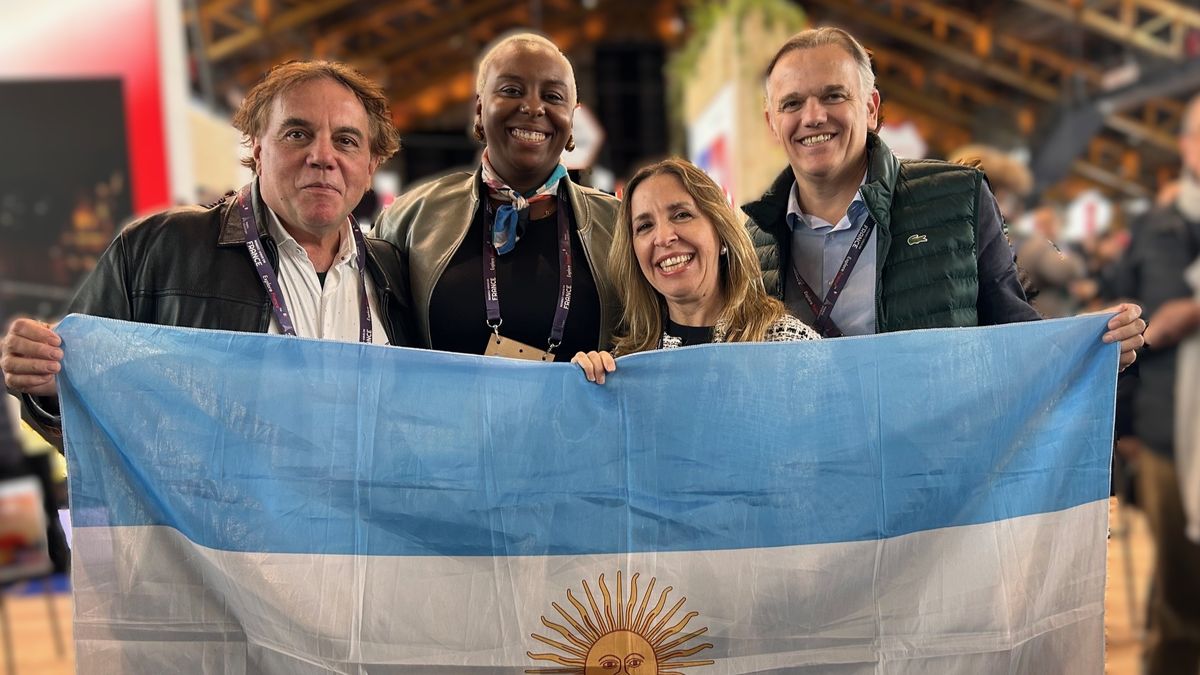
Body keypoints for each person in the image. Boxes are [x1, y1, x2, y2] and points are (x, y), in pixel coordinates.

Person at [2, 60, 415, 446]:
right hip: (201, 524)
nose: (323, 157)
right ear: (257, 148)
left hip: (356, 521)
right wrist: (48, 388)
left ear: (371, 163)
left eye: (346, 140)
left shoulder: (393, 273)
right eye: (297, 134)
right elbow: (72, 405)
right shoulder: (160, 249)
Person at [742, 27, 1144, 365]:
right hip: (813, 458)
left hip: (933, 457)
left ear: (871, 108)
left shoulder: (958, 198)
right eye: (792, 103)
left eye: (833, 96)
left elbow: (1015, 333)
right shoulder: (750, 241)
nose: (813, 116)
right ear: (772, 124)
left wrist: (1092, 343)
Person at [374, 33, 618, 363]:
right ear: (478, 109)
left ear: (571, 122)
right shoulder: (410, 220)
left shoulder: (618, 226)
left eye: (552, 96)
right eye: (512, 90)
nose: (533, 107)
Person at [572, 159, 818, 384]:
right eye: (645, 226)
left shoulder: (789, 345)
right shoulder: (624, 366)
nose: (664, 237)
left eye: (682, 215)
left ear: (721, 233)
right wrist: (586, 391)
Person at [1108, 93, 1200, 675]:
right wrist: (1126, 425)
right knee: (1182, 597)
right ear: (1188, 145)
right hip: (1171, 432)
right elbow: (1129, 326)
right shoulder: (1158, 227)